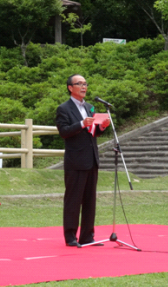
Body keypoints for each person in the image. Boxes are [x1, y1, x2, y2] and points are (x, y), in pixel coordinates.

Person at [56, 74, 110, 247]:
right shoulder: (63, 109)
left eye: (85, 84)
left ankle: (87, 235)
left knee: (89, 200)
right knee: (73, 200)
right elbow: (64, 131)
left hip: (91, 158)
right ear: (70, 88)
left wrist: (101, 127)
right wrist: (81, 124)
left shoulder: (90, 107)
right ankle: (70, 236)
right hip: (75, 160)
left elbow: (92, 132)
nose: (83, 87)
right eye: (79, 84)